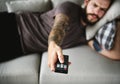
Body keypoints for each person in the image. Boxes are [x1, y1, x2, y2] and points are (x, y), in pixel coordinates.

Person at [0, 0, 113, 71]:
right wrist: (53, 44)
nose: (97, 11)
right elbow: (60, 23)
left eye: (102, 9)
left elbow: (115, 54)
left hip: (19, 47)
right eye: (95, 5)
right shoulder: (70, 8)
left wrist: (117, 20)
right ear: (87, 2)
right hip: (13, 24)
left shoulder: (86, 36)